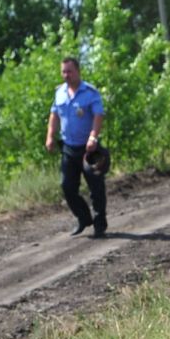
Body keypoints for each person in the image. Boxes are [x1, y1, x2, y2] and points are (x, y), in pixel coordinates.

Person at [46, 56, 106, 237]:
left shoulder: (90, 92)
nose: (66, 75)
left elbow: (98, 116)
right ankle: (83, 218)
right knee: (67, 187)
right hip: (69, 148)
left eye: (69, 71)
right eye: (63, 71)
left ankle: (99, 222)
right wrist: (50, 136)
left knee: (96, 187)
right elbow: (54, 115)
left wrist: (93, 137)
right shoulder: (60, 93)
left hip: (89, 149)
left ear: (78, 71)